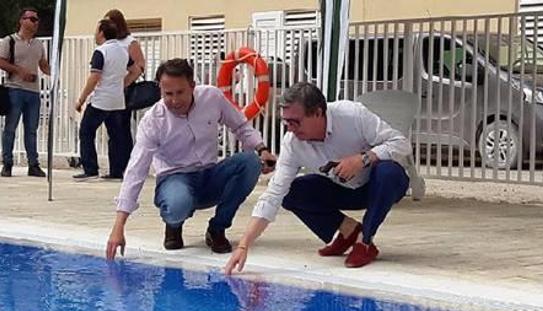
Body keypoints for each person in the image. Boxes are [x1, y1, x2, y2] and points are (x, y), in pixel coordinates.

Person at [225, 82, 412, 273]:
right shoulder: (292, 143)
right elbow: (273, 195)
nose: (290, 129)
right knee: (292, 192)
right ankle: (349, 231)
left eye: (295, 122)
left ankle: (365, 241)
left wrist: (363, 159)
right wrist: (244, 245)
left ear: (318, 112)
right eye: (286, 122)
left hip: (379, 185)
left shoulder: (352, 115)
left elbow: (401, 144)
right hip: (341, 189)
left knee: (389, 172)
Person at [104, 58, 277, 260]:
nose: (175, 100)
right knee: (178, 203)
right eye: (168, 94)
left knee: (250, 162)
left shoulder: (212, 97)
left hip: (210, 175)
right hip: (174, 179)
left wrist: (261, 148)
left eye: (180, 92)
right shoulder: (152, 121)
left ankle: (217, 228)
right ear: (160, 89)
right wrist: (119, 226)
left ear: (192, 86)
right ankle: (174, 225)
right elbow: (136, 169)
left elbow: (240, 126)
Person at [73, 19, 139, 181]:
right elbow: (135, 71)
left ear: (102, 32)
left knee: (86, 132)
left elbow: (94, 77)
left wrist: (81, 99)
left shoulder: (101, 51)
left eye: (96, 30)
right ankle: (117, 171)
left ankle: (90, 169)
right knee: (116, 135)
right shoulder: (123, 51)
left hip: (101, 99)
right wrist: (121, 84)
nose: (95, 34)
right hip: (117, 100)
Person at [0, 7, 49, 178]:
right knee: (10, 128)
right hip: (15, 88)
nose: (36, 23)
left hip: (33, 91)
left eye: (37, 20)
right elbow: (1, 61)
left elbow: (43, 64)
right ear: (22, 20)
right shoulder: (10, 41)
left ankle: (33, 163)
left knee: (32, 129)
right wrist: (19, 71)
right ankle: (7, 162)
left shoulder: (38, 44)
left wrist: (50, 69)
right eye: (32, 19)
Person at [103, 9, 146, 179]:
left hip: (124, 89)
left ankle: (125, 166)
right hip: (110, 89)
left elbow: (139, 66)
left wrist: (123, 84)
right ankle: (115, 168)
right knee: (112, 129)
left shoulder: (130, 42)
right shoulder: (107, 44)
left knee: (122, 128)